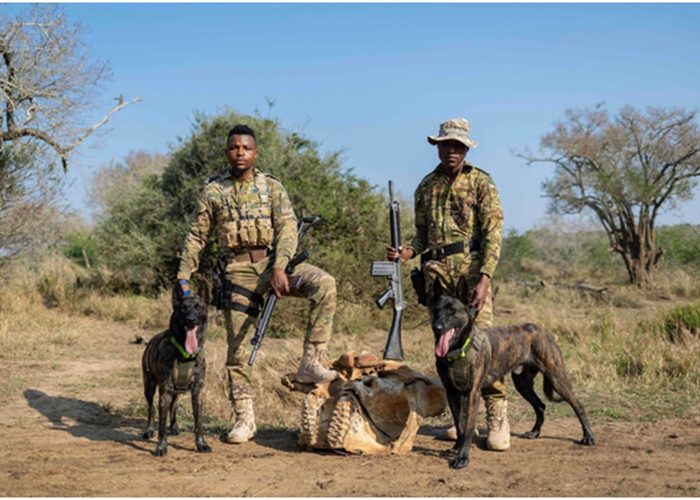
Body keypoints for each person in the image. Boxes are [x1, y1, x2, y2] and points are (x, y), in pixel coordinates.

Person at [177, 124, 338, 444]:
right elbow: (197, 236)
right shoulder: (214, 191)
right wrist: (183, 276)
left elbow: (288, 229)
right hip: (237, 271)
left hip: (274, 264)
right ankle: (244, 419)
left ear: (255, 152)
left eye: (246, 148)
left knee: (324, 284)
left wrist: (279, 266)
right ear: (227, 152)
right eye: (234, 148)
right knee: (239, 349)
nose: (240, 153)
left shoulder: (272, 187)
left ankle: (311, 362)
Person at [387, 117, 510, 451]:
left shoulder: (482, 182)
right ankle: (462, 421)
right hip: (438, 279)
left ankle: (496, 416)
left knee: (482, 346)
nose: (450, 151)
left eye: (457, 145)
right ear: (437, 147)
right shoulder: (426, 186)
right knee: (447, 352)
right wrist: (407, 251)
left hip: (470, 274)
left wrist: (485, 278)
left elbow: (493, 234)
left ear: (466, 149)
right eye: (445, 145)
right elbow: (422, 236)